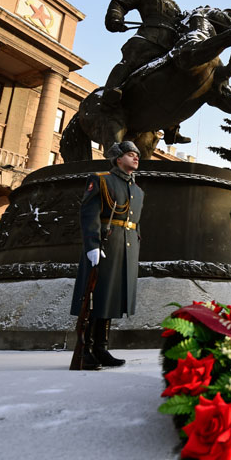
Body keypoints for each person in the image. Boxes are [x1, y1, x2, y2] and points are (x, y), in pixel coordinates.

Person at [70, 141, 145, 370]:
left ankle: (101, 348)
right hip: (106, 244)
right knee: (96, 297)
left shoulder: (138, 189)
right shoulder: (101, 180)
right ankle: (86, 349)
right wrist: (92, 244)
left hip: (126, 246)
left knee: (111, 297)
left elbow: (135, 221)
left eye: (137, 156)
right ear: (118, 159)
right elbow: (89, 213)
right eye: (131, 155)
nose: (135, 158)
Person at [103, 0, 190, 144]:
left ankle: (172, 128)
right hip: (148, 37)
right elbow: (119, 2)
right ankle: (111, 90)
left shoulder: (177, 7)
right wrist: (115, 18)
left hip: (169, 46)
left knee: (178, 80)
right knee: (131, 59)